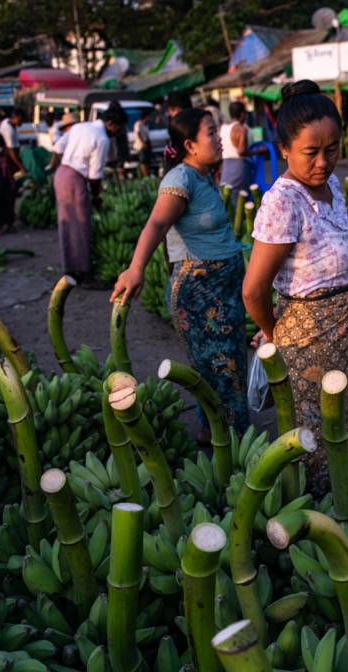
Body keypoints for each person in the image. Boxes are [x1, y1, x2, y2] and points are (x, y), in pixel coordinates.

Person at [242, 80, 348, 494]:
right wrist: (277, 334)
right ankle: (322, 521)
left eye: (333, 149)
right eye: (311, 152)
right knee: (321, 435)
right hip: (312, 345)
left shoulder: (332, 187)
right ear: (285, 149)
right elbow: (253, 291)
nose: (323, 162)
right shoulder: (283, 201)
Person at [111, 108, 249, 440]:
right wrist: (135, 269)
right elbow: (157, 224)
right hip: (200, 293)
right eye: (212, 133)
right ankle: (231, 443)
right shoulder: (180, 179)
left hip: (222, 290)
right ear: (189, 144)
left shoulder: (203, 175)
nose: (219, 138)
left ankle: (214, 434)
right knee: (219, 367)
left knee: (225, 364)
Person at [53, 104, 127, 288]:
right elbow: (95, 176)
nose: (117, 133)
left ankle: (70, 269)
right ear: (110, 123)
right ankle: (85, 275)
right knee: (81, 224)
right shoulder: (102, 138)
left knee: (67, 222)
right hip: (74, 178)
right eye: (118, 128)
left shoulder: (80, 126)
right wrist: (96, 196)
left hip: (61, 173)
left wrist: (55, 168)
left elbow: (57, 147)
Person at [219, 101, 259, 197]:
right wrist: (261, 150)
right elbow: (241, 151)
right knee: (243, 199)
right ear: (242, 114)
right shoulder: (241, 129)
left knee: (228, 199)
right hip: (239, 168)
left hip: (226, 167)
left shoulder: (223, 128)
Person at [0, 107, 24, 232]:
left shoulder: (6, 122)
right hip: (9, 163)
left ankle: (10, 216)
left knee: (11, 192)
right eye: (21, 120)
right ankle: (9, 222)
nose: (21, 123)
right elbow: (11, 152)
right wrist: (21, 167)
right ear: (16, 118)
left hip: (7, 160)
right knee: (10, 192)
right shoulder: (9, 130)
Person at [133, 106, 153, 177]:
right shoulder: (138, 124)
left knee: (147, 160)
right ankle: (145, 175)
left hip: (146, 143)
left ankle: (147, 173)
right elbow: (138, 133)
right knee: (143, 160)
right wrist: (143, 143)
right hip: (141, 145)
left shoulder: (145, 125)